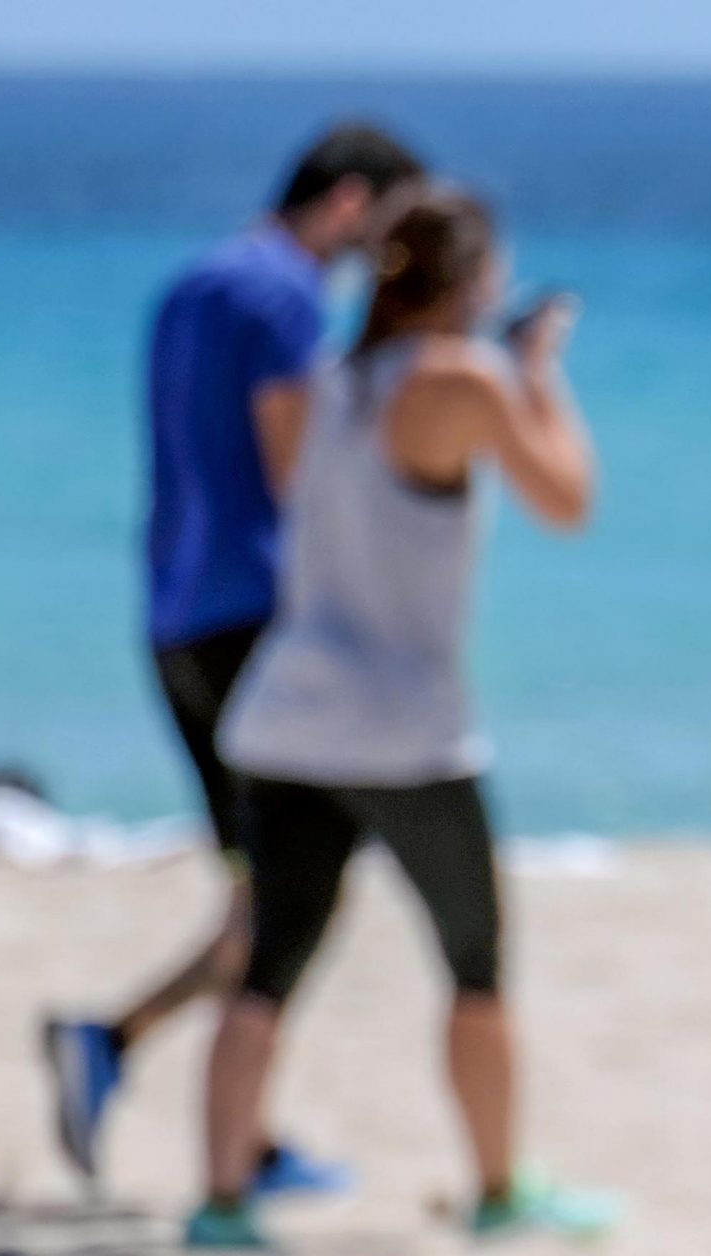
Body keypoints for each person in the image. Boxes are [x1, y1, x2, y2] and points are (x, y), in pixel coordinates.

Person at [185, 183, 614, 1250]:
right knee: (475, 965)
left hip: (284, 714)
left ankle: (222, 1202)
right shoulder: (458, 377)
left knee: (268, 970)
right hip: (403, 728)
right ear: (472, 280)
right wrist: (542, 376)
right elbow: (566, 501)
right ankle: (501, 1190)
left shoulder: (328, 386)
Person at [43, 122, 426, 1189]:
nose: (391, 257)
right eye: (390, 228)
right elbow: (293, 468)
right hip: (252, 619)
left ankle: (130, 1059)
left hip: (174, 612)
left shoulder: (192, 284)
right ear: (349, 200)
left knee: (268, 883)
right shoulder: (285, 297)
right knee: (298, 883)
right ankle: (187, 1101)